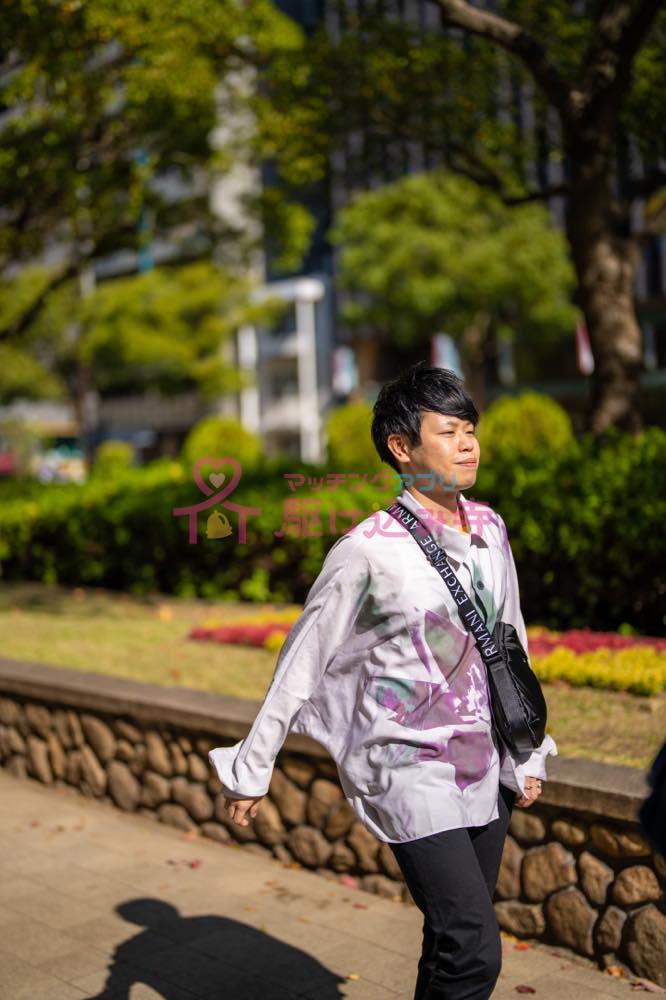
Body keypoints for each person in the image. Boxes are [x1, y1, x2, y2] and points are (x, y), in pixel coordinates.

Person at [209, 362, 558, 999]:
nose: (469, 443)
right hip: (404, 764)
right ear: (402, 447)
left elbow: (510, 637)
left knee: (451, 939)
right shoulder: (366, 549)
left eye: (470, 429)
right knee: (476, 951)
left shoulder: (489, 529)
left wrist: (527, 748)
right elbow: (302, 660)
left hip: (480, 759)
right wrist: (252, 768)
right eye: (450, 431)